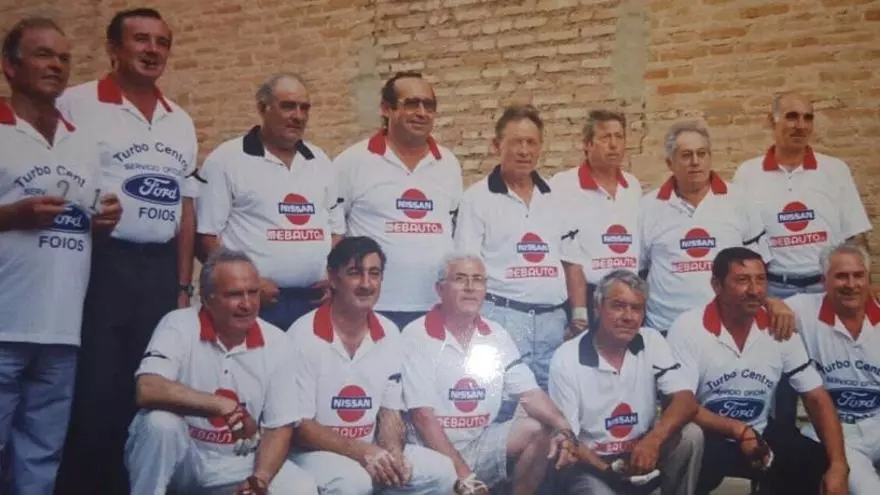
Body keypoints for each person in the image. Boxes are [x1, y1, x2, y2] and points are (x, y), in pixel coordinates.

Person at [55, 8, 200, 493]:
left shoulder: (179, 120)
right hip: (100, 263)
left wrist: (183, 286)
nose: (152, 50)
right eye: (140, 39)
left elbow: (185, 207)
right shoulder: (76, 104)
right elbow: (55, 174)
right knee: (96, 387)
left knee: (148, 382)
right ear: (113, 48)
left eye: (162, 41)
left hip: (159, 269)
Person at [0, 17, 121, 494]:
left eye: (64, 58)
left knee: (42, 454)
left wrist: (104, 220)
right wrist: (11, 215)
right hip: (4, 325)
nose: (56, 65)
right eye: (43, 54)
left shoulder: (81, 140)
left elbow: (86, 215)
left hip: (61, 329)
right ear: (10, 67)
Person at [124, 248, 318, 495]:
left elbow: (279, 427)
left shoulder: (278, 342)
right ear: (207, 298)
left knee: (300, 488)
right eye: (234, 294)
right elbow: (147, 388)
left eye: (253, 293)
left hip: (235, 461)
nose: (246, 304)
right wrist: (219, 405)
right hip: (184, 456)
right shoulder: (178, 324)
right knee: (160, 424)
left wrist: (260, 479)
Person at [667, 247, 849, 495]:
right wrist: (739, 430)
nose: (754, 290)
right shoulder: (689, 327)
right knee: (694, 449)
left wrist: (839, 465)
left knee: (814, 459)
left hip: (760, 431)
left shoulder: (778, 326)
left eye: (761, 279)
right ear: (716, 285)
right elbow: (680, 404)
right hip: (708, 435)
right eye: (742, 280)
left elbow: (816, 396)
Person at [287, 236, 456, 494]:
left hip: (369, 447)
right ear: (333, 278)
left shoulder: (389, 333)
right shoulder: (302, 336)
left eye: (374, 274)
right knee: (353, 481)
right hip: (311, 454)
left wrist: (393, 453)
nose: (366, 284)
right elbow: (301, 426)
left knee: (441, 471)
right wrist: (363, 452)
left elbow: (389, 411)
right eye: (355, 273)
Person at [402, 252, 578, 495]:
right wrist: (466, 478)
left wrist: (564, 429)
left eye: (478, 279)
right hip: (429, 452)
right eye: (460, 279)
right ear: (440, 289)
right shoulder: (416, 335)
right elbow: (422, 417)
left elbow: (530, 394)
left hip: (476, 445)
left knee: (538, 430)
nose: (470, 287)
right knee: (445, 473)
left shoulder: (496, 334)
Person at [197, 73, 342, 330]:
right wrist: (249, 284)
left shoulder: (319, 160)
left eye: (304, 108)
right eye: (288, 106)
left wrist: (333, 277)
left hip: (314, 301)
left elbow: (337, 230)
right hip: (255, 303)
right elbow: (207, 236)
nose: (298, 116)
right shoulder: (227, 160)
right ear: (263, 108)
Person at [549, 270, 702, 495]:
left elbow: (686, 401)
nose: (628, 317)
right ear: (598, 307)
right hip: (591, 463)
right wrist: (610, 471)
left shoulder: (651, 340)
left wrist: (653, 440)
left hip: (642, 452)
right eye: (618, 306)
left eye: (636, 308)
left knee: (691, 436)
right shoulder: (566, 358)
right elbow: (569, 441)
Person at [455, 105, 571, 391]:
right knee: (503, 400)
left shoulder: (556, 197)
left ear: (540, 147)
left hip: (552, 322)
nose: (524, 151)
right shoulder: (477, 198)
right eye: (516, 142)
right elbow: (466, 266)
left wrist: (576, 315)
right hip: (502, 318)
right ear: (497, 146)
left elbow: (570, 259)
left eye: (531, 142)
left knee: (552, 401)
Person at [334, 71, 463, 329]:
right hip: (372, 307)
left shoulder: (448, 163)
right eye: (412, 104)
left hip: (435, 306)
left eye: (429, 106)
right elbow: (333, 232)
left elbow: (453, 226)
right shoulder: (352, 162)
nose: (422, 113)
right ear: (386, 109)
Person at [639, 121, 792, 335]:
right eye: (686, 155)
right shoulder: (647, 207)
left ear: (710, 157)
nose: (695, 162)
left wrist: (770, 301)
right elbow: (640, 271)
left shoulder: (739, 200)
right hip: (666, 328)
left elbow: (759, 266)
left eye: (702, 154)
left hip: (727, 327)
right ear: (670, 163)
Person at [733, 91, 871, 299]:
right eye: (792, 116)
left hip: (828, 289)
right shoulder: (748, 173)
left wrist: (864, 290)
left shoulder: (835, 170)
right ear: (772, 120)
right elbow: (740, 240)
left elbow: (855, 237)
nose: (801, 125)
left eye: (808, 118)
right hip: (773, 291)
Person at [786, 243, 880, 494]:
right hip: (839, 431)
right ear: (823, 280)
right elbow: (752, 304)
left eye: (858, 275)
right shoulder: (802, 310)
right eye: (841, 276)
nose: (851, 284)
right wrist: (773, 305)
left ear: (868, 279)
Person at [552, 109, 643, 337]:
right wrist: (579, 314)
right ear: (587, 144)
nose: (613, 144)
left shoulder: (632, 186)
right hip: (589, 300)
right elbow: (568, 256)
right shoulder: (564, 185)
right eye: (605, 137)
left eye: (619, 137)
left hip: (629, 299)